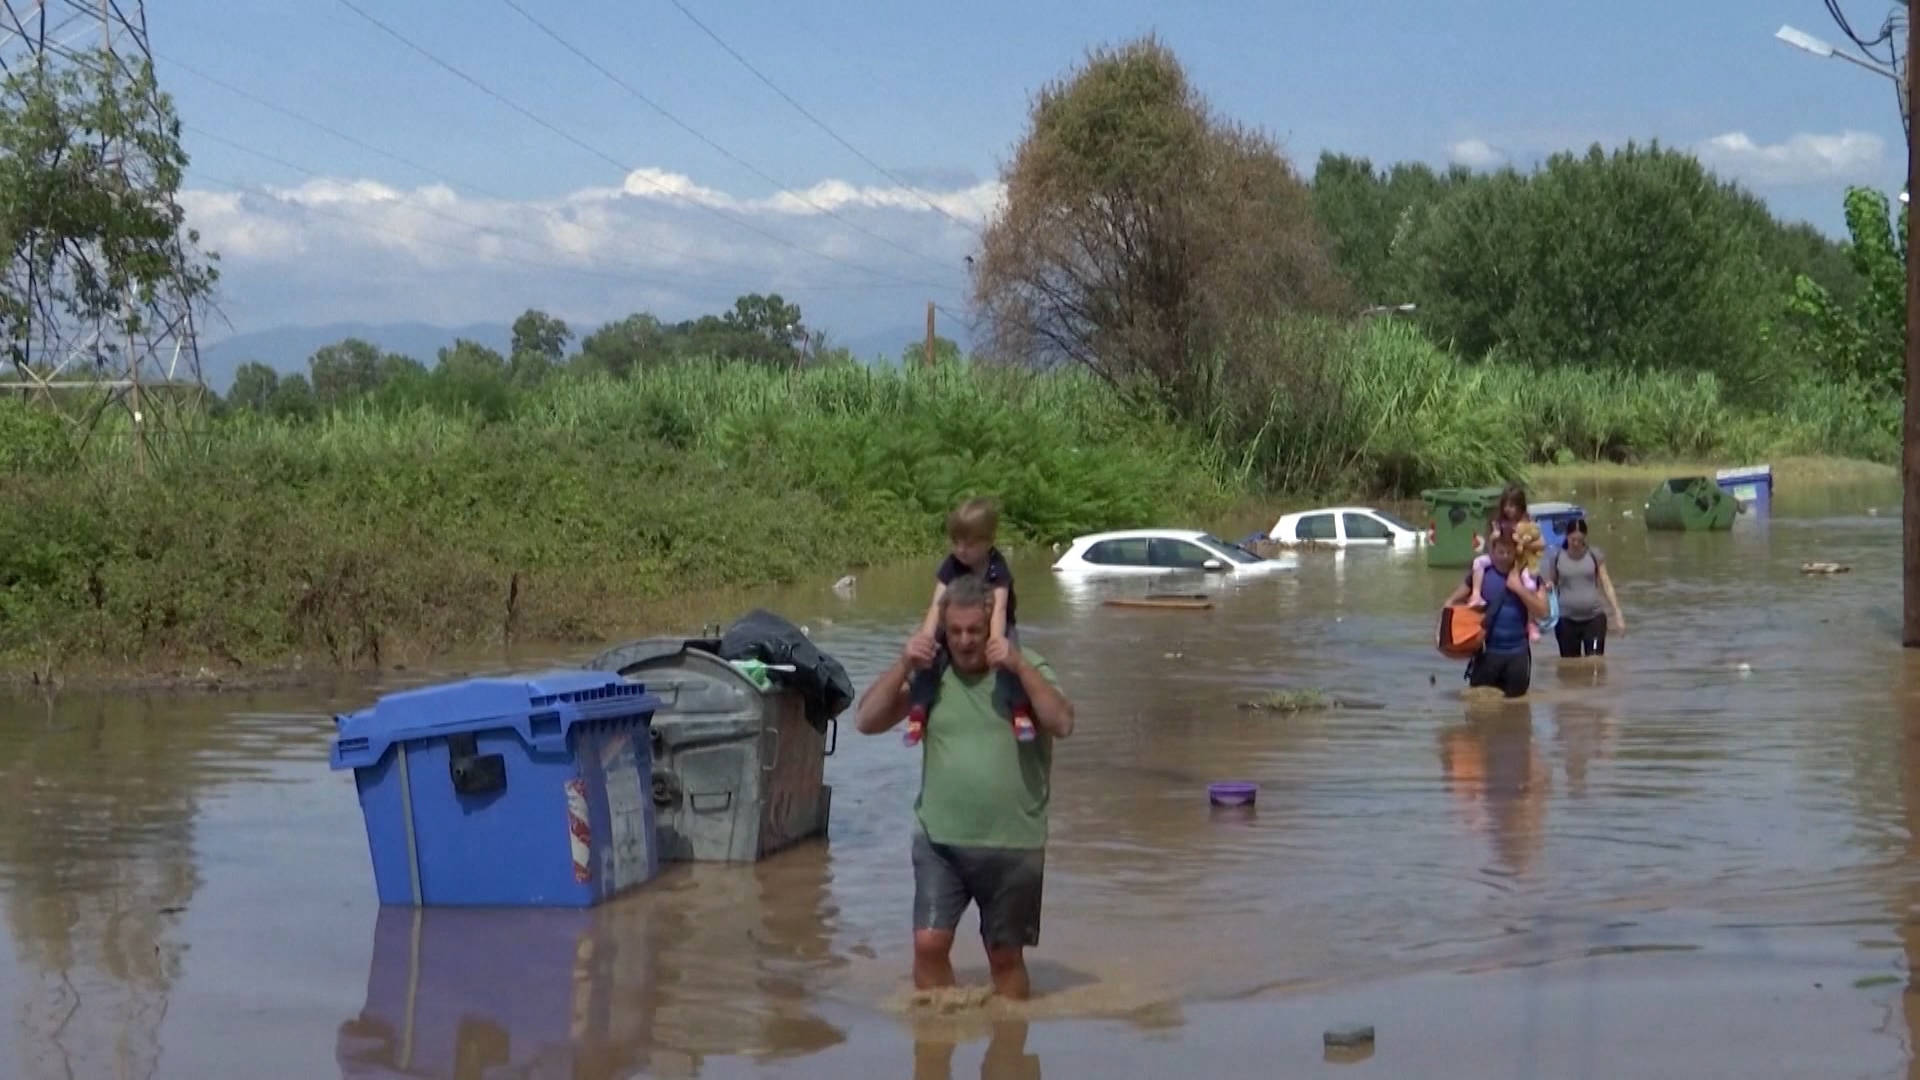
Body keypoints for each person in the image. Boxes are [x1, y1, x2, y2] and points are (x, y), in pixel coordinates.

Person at [855, 573, 1076, 1001]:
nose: (965, 640)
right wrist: (903, 663)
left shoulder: (1025, 670)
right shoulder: (929, 678)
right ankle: (937, 1043)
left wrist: (1018, 665)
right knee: (928, 945)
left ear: (992, 623)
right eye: (954, 631)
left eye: (975, 630)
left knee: (1004, 957)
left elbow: (1062, 722)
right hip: (940, 840)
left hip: (1014, 843)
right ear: (943, 630)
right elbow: (866, 721)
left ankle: (1010, 1046)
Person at [903, 497, 1032, 746]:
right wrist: (927, 637)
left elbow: (1000, 607)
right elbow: (936, 604)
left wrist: (996, 641)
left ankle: (1019, 709)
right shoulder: (952, 565)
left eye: (970, 544)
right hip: (956, 620)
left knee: (1011, 656)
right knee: (929, 657)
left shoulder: (997, 567)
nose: (961, 550)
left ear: (989, 541)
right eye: (956, 542)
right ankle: (919, 709)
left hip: (997, 622)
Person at [1445, 530, 1550, 698]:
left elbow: (1544, 612)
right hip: (1487, 654)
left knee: (1518, 710)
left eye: (1509, 552)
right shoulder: (1481, 575)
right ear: (1492, 551)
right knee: (1479, 710)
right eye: (1500, 552)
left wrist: (1518, 589)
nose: (1504, 556)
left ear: (1516, 552)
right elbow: (1450, 604)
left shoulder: (1529, 578)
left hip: (1518, 655)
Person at [1541, 516, 1626, 657]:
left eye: (1579, 540)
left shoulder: (1594, 555)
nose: (1575, 543)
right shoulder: (1556, 557)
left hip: (1594, 618)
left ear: (1585, 537)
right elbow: (1552, 586)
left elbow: (1607, 584)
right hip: (1566, 620)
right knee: (1570, 666)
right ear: (1566, 536)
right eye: (1572, 539)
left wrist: (1618, 614)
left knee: (1595, 663)